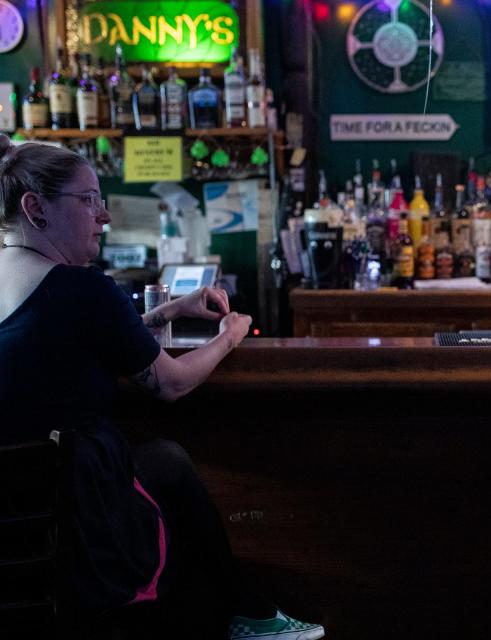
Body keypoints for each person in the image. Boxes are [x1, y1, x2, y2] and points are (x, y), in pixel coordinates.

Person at [0, 135, 325, 640]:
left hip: (14, 513)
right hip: (72, 512)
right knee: (169, 461)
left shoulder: (28, 282)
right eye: (89, 200)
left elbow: (65, 333)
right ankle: (245, 613)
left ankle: (244, 610)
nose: (103, 216)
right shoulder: (82, 288)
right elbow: (170, 385)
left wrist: (166, 312)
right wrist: (229, 337)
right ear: (35, 208)